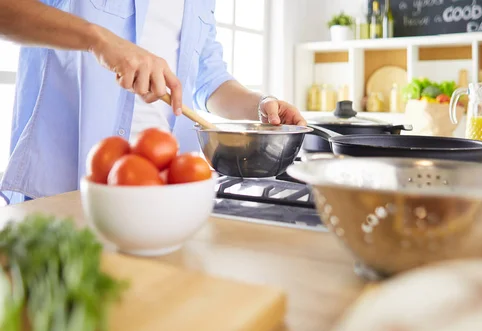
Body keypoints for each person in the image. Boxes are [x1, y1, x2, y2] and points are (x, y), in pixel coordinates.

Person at [0, 0, 306, 204]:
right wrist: (100, 40)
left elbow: (208, 78)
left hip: (163, 191)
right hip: (65, 187)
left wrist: (261, 105)